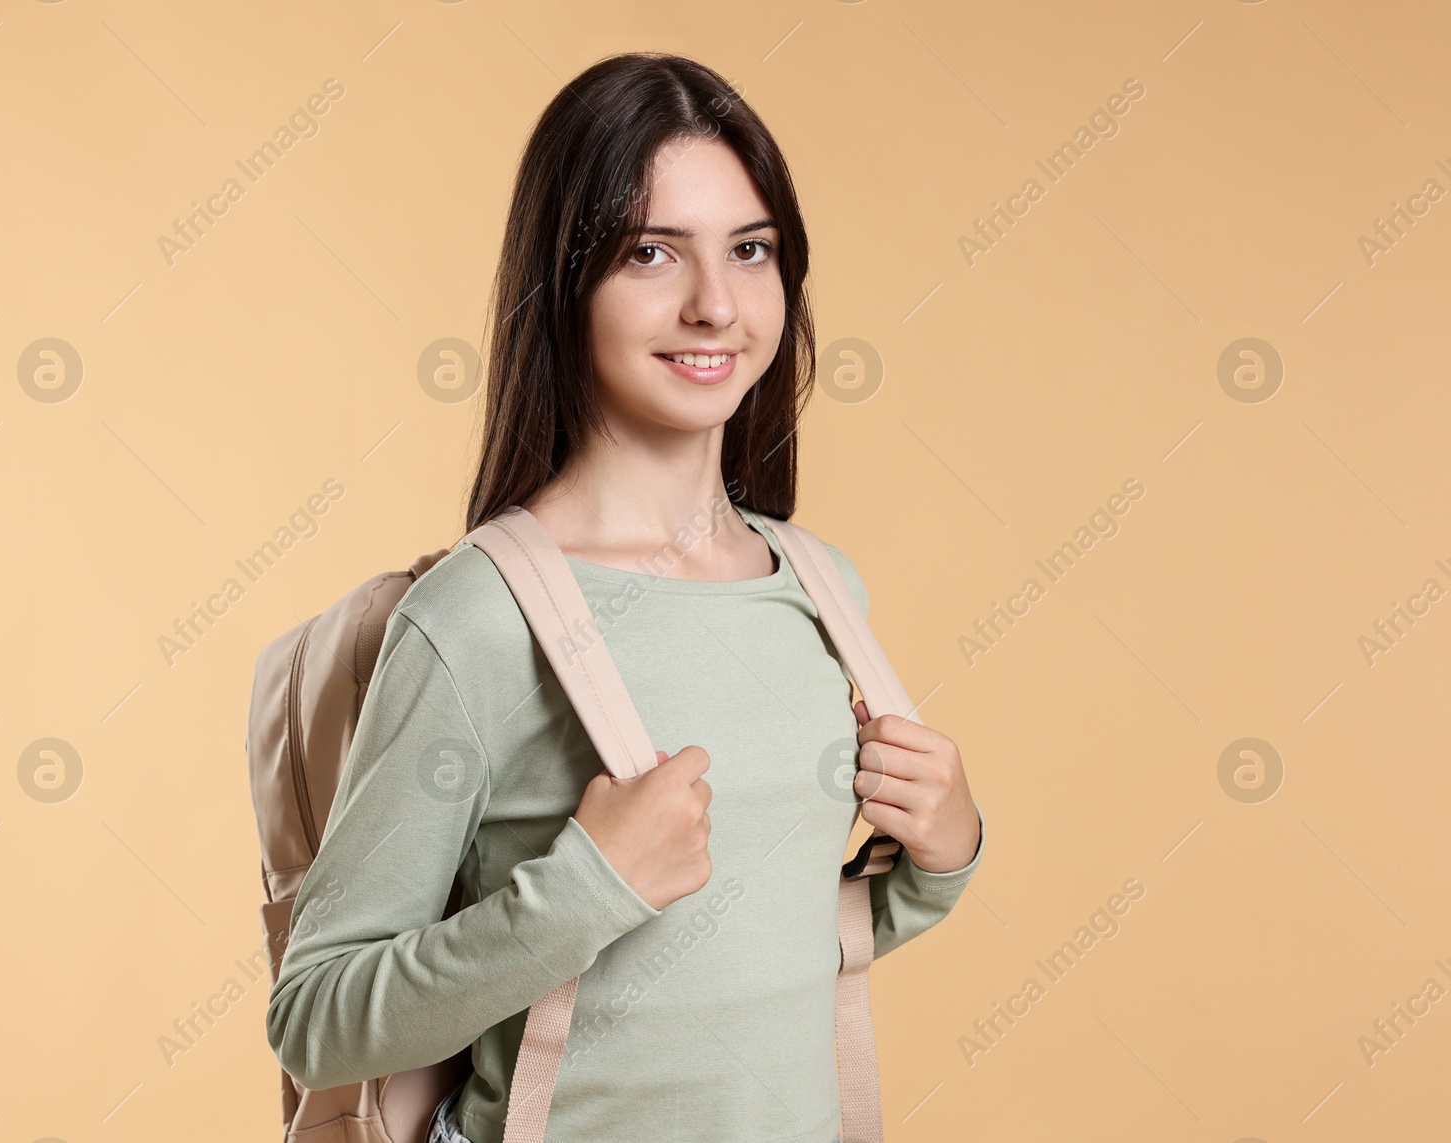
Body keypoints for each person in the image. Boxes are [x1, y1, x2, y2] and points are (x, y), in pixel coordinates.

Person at [266, 51, 985, 1143]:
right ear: (564, 281)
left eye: (750, 250)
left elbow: (760, 950)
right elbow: (315, 1022)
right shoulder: (475, 621)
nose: (713, 305)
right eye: (650, 252)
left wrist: (944, 856)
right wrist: (585, 891)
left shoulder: (822, 589)